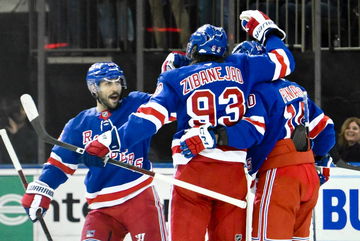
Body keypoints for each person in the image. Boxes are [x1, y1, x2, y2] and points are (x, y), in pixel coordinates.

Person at [84, 10, 295, 241]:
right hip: (233, 175)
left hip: (193, 172)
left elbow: (150, 119)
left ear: (192, 48)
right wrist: (266, 29)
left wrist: (108, 141)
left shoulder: (175, 77)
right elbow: (285, 61)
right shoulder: (243, 66)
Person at [180, 40, 336, 241]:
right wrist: (319, 158)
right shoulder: (297, 89)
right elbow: (327, 131)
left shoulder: (256, 92)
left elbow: (252, 131)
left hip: (280, 174)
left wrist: (214, 135)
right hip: (308, 176)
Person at [21, 62, 168, 241]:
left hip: (139, 198)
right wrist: (41, 189)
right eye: (107, 84)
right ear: (93, 88)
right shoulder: (78, 125)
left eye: (117, 82)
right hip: (102, 207)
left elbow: (166, 106)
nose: (115, 88)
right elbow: (58, 164)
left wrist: (171, 78)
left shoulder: (137, 104)